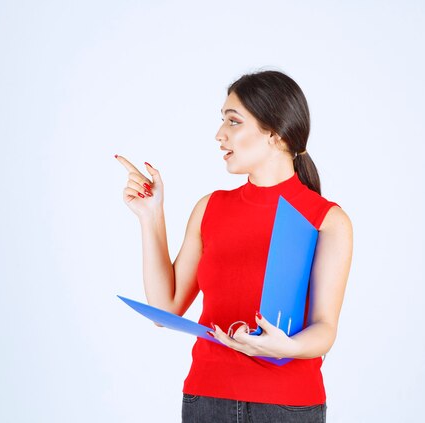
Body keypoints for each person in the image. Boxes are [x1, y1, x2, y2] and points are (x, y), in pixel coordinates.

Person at [115, 69, 353, 423]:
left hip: (287, 405)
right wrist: (151, 218)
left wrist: (287, 348)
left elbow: (324, 328)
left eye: (233, 122)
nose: (219, 135)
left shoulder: (326, 219)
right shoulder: (210, 207)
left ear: (275, 134)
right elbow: (166, 308)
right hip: (206, 399)